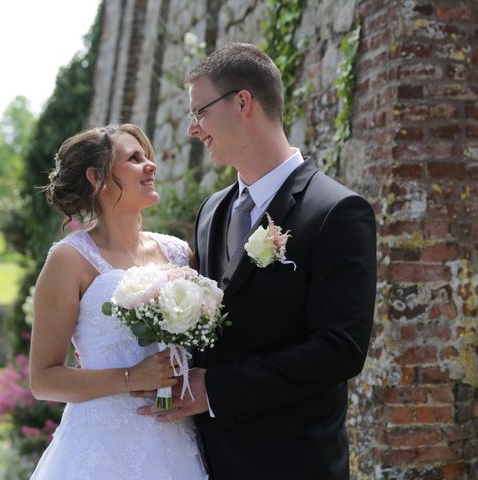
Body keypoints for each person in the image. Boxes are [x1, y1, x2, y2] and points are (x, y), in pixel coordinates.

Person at [136, 43, 377, 479]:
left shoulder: (336, 211)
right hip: (205, 458)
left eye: (200, 112)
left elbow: (341, 349)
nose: (194, 129)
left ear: (243, 102)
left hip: (293, 461)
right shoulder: (212, 211)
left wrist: (219, 390)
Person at [28, 124, 208, 479]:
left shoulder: (178, 253)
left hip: (177, 442)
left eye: (148, 157)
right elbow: (43, 379)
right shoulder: (69, 260)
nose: (150, 166)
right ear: (98, 177)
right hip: (102, 451)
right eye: (134, 158)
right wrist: (130, 378)